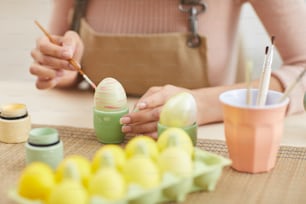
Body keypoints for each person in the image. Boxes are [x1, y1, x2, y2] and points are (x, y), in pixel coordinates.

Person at [30, 0, 306, 137]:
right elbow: (63, 70)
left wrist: (202, 104)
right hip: (96, 145)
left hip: (206, 147)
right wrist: (60, 68)